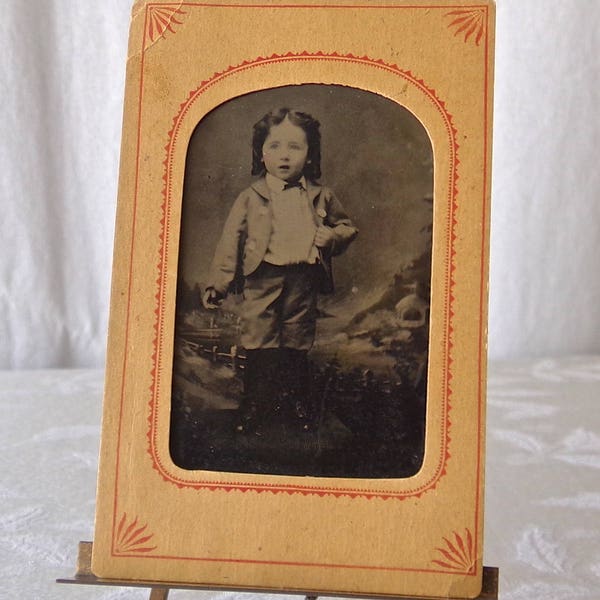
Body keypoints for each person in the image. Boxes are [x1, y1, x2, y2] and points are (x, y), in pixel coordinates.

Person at [202, 107, 358, 433]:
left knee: (297, 341)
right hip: (262, 278)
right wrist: (218, 283)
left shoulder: (321, 196)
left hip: (303, 278)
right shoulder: (250, 198)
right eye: (274, 146)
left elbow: (347, 227)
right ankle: (255, 407)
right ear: (261, 153)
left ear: (310, 154)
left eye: (294, 147)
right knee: (260, 341)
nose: (284, 156)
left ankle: (297, 405)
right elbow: (231, 241)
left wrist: (331, 237)